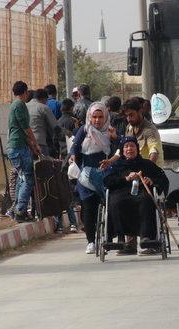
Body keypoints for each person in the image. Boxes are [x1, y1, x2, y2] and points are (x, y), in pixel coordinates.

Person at [103, 136, 169, 256]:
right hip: (120, 193)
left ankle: (146, 237)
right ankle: (121, 238)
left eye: (132, 146)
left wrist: (151, 181)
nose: (129, 149)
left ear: (137, 149)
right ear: (122, 150)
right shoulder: (116, 166)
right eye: (126, 146)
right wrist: (125, 178)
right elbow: (107, 181)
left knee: (146, 200)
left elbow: (162, 179)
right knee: (116, 202)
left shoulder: (146, 164)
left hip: (142, 193)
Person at [69, 102, 115, 254]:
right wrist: (73, 156)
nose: (97, 120)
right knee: (88, 208)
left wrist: (115, 138)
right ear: (89, 116)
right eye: (94, 117)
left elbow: (119, 148)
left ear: (105, 117)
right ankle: (90, 241)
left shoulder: (110, 131)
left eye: (100, 117)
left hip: (105, 172)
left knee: (110, 205)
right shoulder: (84, 130)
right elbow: (74, 147)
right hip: (86, 175)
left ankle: (108, 238)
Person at [7, 81, 41, 222]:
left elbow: (21, 131)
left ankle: (16, 209)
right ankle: (20, 210)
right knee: (28, 179)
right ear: (25, 92)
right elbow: (26, 128)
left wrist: (32, 146)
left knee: (22, 178)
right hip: (18, 147)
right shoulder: (20, 105)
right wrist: (36, 143)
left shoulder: (14, 105)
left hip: (17, 146)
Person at [102, 97, 164, 169]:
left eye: (131, 115)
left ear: (140, 111)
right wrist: (109, 161)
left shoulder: (150, 130)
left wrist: (147, 170)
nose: (129, 119)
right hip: (136, 170)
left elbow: (154, 151)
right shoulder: (129, 127)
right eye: (126, 116)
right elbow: (122, 149)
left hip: (153, 173)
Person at [55, 98, 79, 233]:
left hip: (62, 159)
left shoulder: (57, 123)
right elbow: (76, 139)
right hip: (72, 159)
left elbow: (55, 141)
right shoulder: (73, 122)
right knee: (69, 193)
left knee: (60, 192)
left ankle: (59, 224)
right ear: (71, 109)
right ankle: (73, 223)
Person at [27, 88, 60, 157]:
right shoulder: (44, 107)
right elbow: (55, 127)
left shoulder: (24, 106)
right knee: (46, 165)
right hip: (39, 143)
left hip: (25, 143)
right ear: (44, 99)